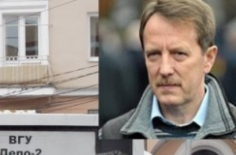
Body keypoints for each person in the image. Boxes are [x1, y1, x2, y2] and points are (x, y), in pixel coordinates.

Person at [99, 0, 236, 139]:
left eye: (179, 54)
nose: (165, 69)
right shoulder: (111, 135)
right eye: (154, 54)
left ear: (208, 58)